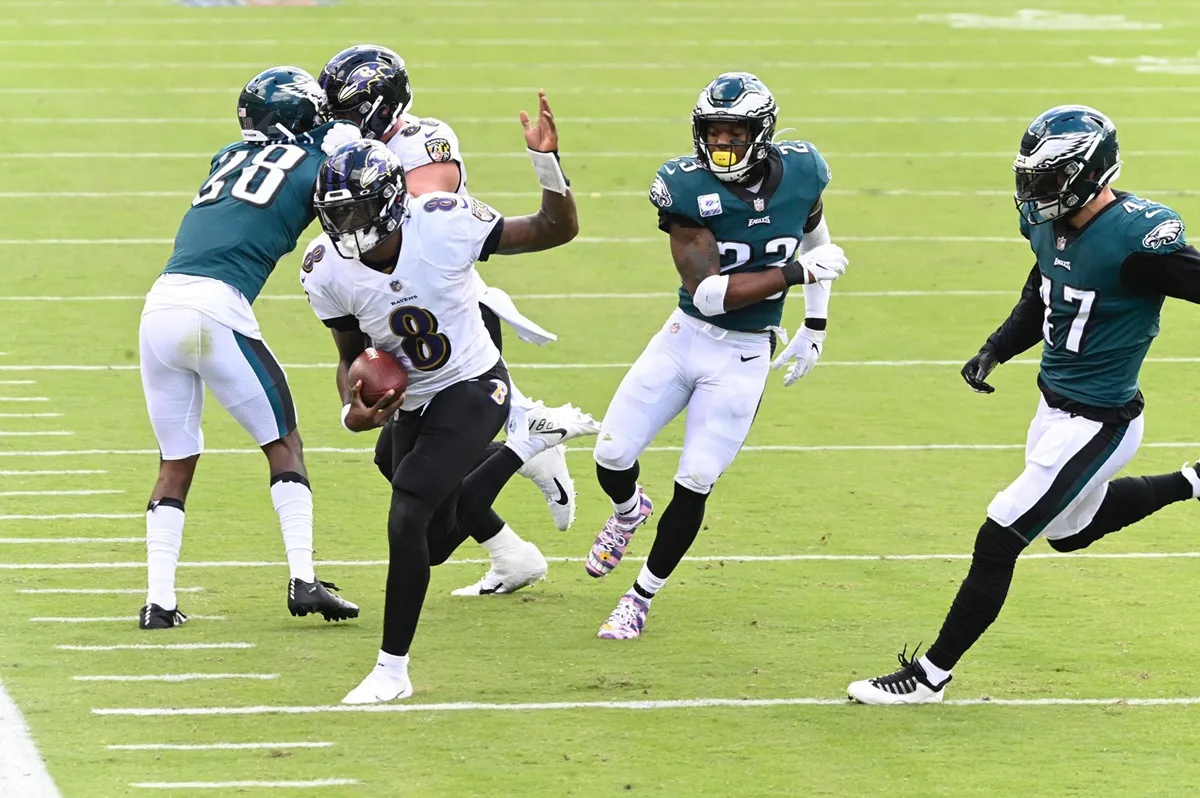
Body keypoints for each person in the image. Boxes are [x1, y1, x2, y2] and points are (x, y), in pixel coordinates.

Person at [848, 105, 1200, 705]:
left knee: (1000, 536)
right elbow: (1043, 291)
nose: (1034, 192)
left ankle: (929, 676)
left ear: (1089, 172)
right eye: (1030, 177)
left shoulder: (1139, 239)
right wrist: (995, 349)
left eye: (1048, 178)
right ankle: (1194, 480)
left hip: (1099, 423)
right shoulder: (1047, 225)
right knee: (1067, 532)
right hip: (1053, 409)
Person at [300, 92, 598, 704]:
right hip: (415, 397)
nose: (347, 228)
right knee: (430, 541)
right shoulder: (325, 269)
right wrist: (353, 409)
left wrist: (547, 163)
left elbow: (555, 229)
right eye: (337, 215)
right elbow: (349, 360)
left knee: (407, 509)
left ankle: (391, 671)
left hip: (473, 382)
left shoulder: (441, 219)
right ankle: (524, 445)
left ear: (389, 204)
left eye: (358, 213)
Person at [587, 72, 850, 640]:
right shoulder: (684, 187)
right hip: (687, 334)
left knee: (698, 476)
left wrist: (816, 322)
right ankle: (630, 511)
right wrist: (794, 275)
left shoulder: (803, 171)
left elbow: (817, 242)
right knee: (610, 452)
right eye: (713, 131)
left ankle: (640, 597)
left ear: (764, 133)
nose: (722, 143)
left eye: (735, 132)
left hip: (746, 354)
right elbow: (709, 293)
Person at [317, 47, 577, 598]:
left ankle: (525, 443)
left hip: (450, 311)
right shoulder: (352, 156)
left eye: (346, 111)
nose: (335, 123)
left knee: (418, 479)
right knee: (395, 462)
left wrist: (354, 190)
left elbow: (407, 214)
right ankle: (512, 554)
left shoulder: (422, 142)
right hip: (392, 312)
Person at [136, 66, 360, 630]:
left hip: (159, 307)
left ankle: (158, 603)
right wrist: (338, 142)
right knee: (284, 444)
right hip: (215, 310)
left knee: (176, 459)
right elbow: (340, 192)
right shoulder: (317, 166)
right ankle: (304, 579)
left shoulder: (225, 155)